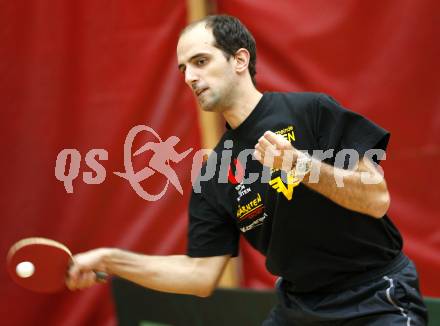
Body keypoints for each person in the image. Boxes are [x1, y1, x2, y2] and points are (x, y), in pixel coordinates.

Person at [67, 15, 428, 325]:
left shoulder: (311, 111)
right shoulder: (213, 173)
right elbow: (200, 275)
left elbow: (376, 198)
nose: (190, 77)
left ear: (240, 59)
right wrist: (110, 260)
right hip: (300, 308)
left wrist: (303, 167)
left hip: (375, 295)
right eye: (184, 68)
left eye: (201, 61)